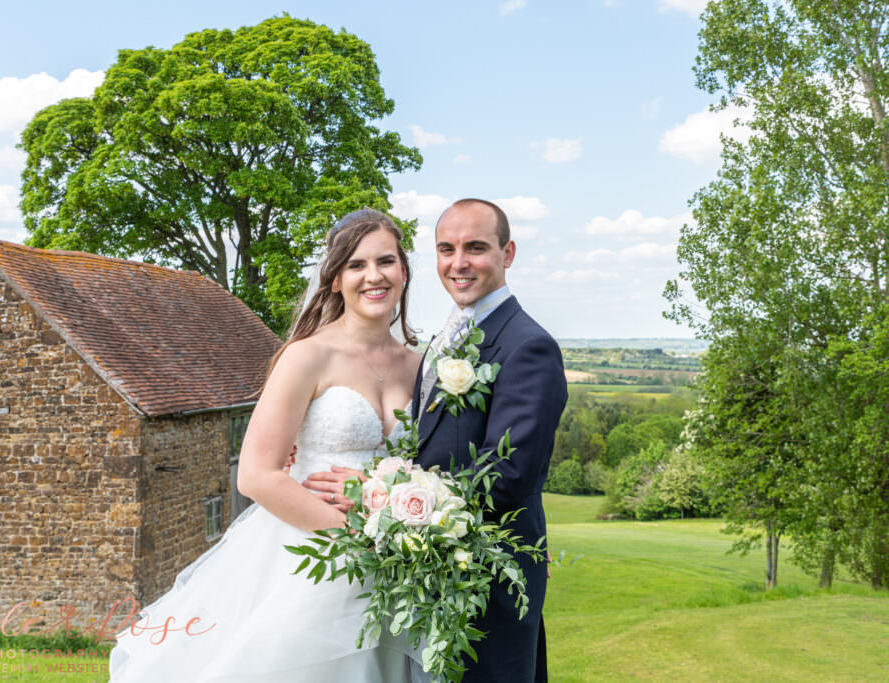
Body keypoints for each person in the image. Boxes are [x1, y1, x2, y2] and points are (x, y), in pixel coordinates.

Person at [108, 209, 422, 682]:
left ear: (403, 271)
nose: (373, 276)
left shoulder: (421, 366)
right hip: (312, 554)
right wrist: (356, 534)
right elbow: (256, 474)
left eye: (385, 261)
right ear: (334, 280)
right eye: (355, 265)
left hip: (400, 558)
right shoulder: (307, 357)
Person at [307, 198, 567, 683]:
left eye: (476, 248)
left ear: (507, 253)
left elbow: (505, 480)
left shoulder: (527, 345)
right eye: (446, 249)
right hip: (427, 577)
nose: (459, 263)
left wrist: (378, 493)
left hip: (485, 587)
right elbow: (427, 446)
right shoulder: (444, 339)